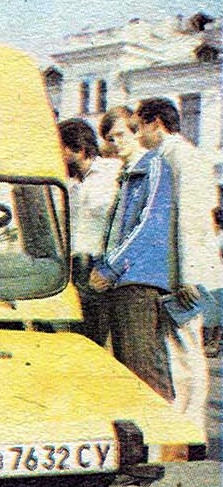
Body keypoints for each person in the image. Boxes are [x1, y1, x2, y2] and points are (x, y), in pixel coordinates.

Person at [134, 97, 221, 431]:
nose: (139, 135)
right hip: (171, 271)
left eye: (140, 127)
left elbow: (191, 220)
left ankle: (190, 424)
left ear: (156, 123)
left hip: (184, 274)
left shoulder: (183, 158)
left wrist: (187, 277)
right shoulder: (168, 156)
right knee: (176, 348)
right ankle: (181, 420)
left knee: (186, 349)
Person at [89, 106, 174, 400]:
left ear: (137, 131)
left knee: (142, 366)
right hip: (121, 279)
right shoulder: (126, 175)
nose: (116, 143)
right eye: (110, 138)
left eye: (121, 134)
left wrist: (110, 268)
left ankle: (161, 427)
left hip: (139, 279)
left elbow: (150, 224)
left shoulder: (153, 166)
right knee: (125, 366)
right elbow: (114, 230)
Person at [58, 118, 119, 346]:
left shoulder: (111, 173)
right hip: (73, 264)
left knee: (94, 332)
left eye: (61, 148)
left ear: (78, 148)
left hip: (97, 263)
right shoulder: (70, 182)